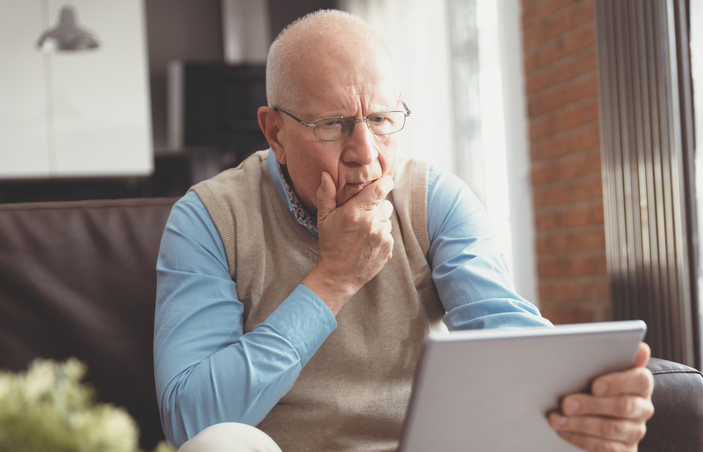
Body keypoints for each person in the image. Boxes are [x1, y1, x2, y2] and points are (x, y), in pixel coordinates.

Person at [154, 9, 654, 452]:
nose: (366, 153)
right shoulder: (207, 220)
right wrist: (332, 281)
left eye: (381, 118)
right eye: (333, 124)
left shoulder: (435, 201)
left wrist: (586, 410)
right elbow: (190, 419)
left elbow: (510, 346)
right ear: (275, 133)